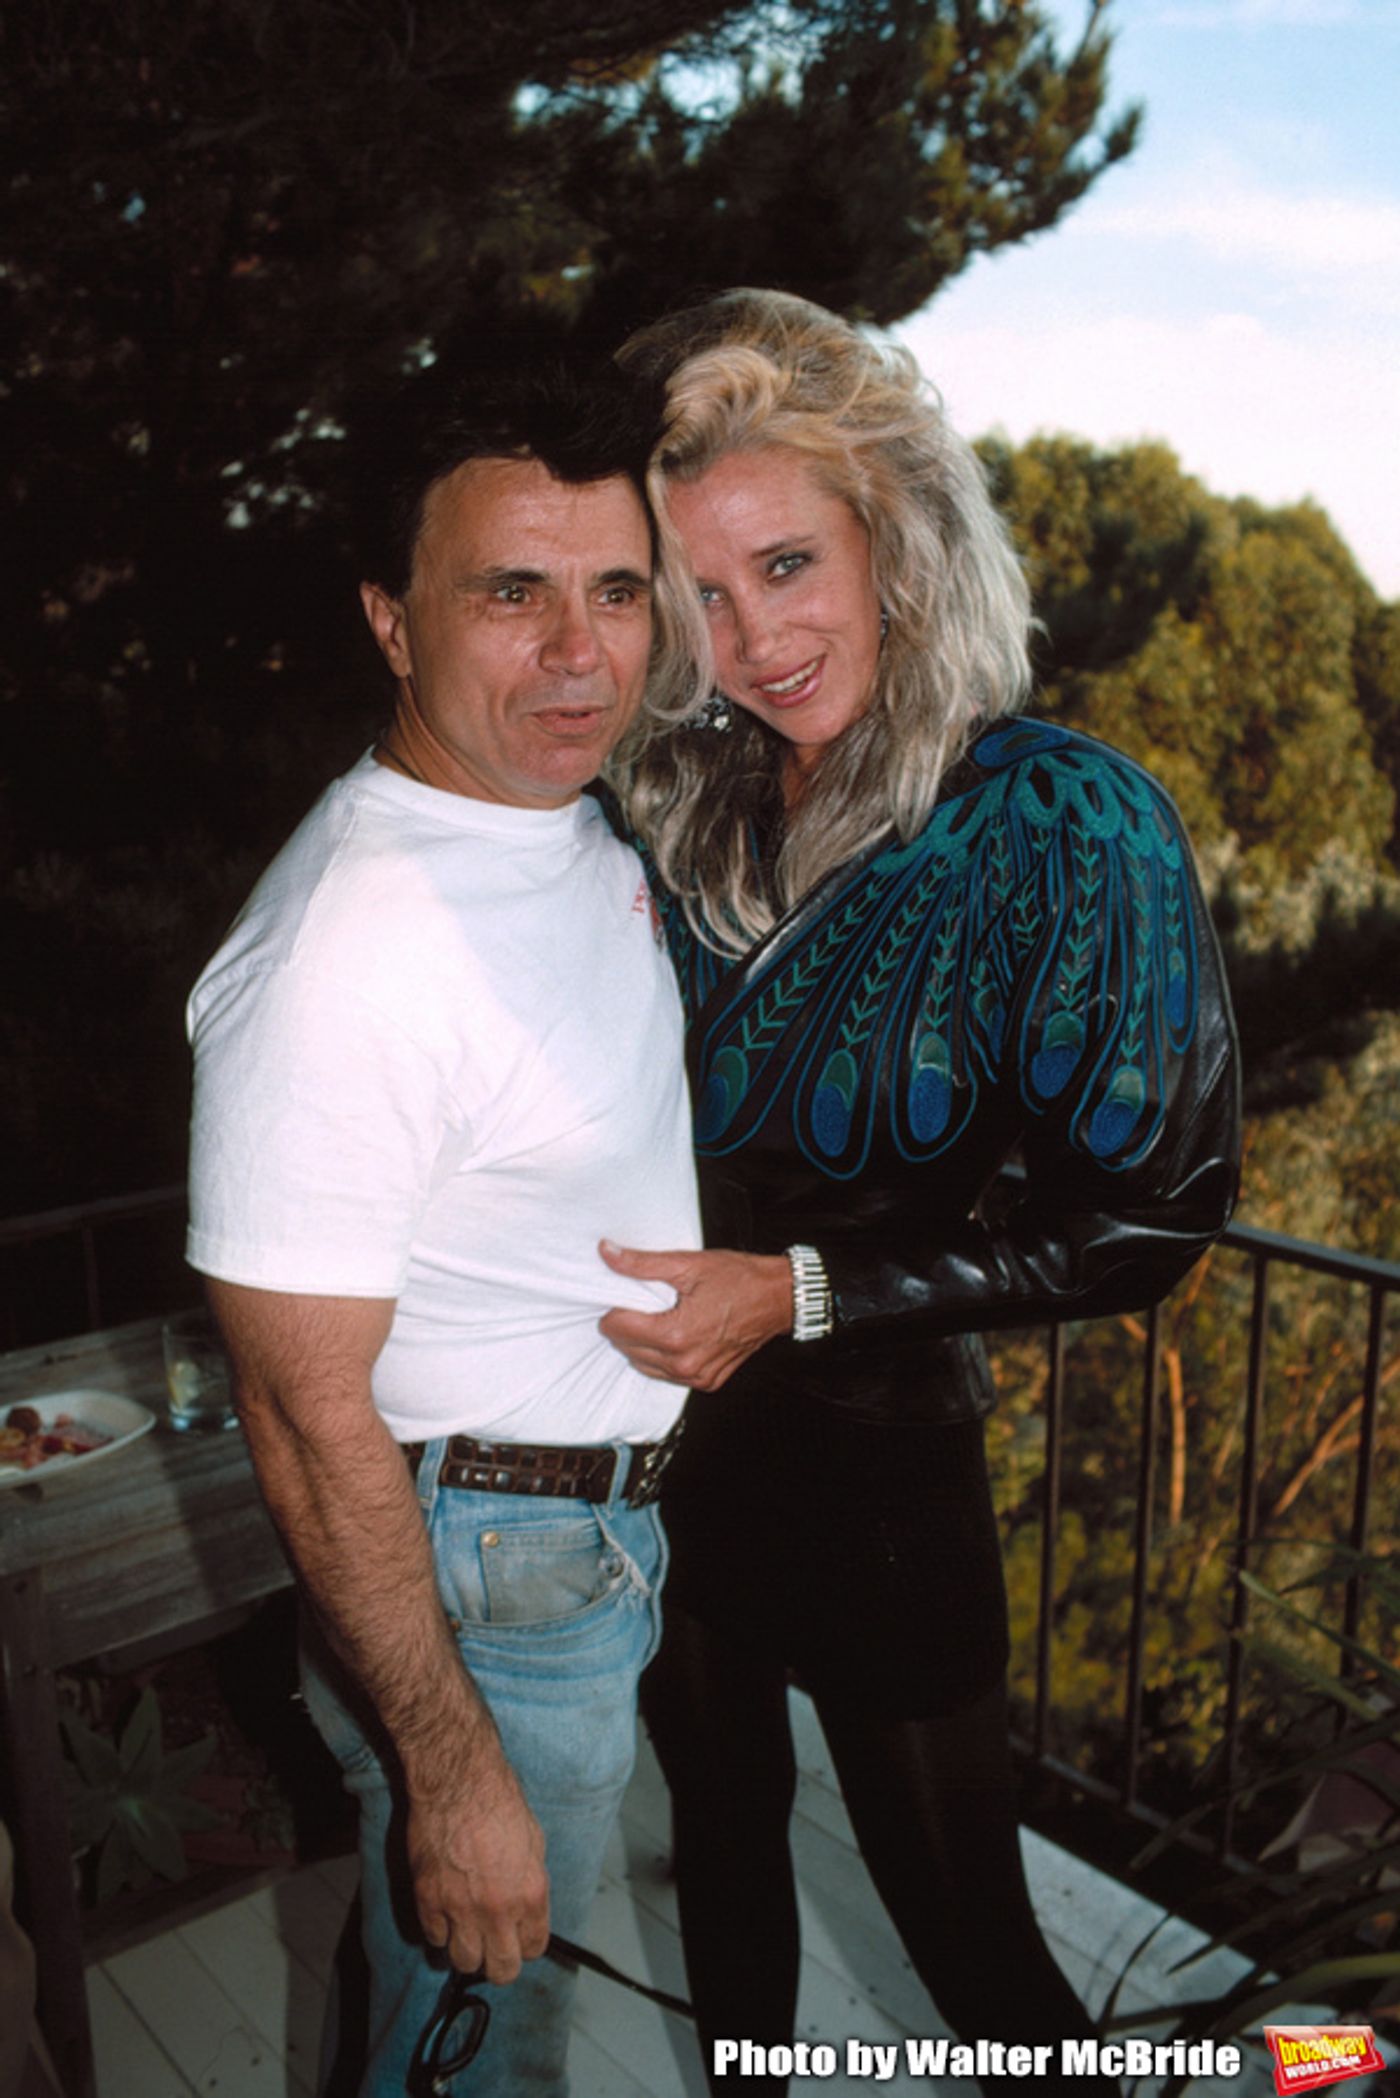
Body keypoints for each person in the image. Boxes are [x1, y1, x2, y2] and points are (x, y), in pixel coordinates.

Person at [598, 290, 1241, 2095]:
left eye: (788, 564)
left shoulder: (1058, 822)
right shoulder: (679, 802)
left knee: (985, 1965)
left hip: (879, 1478)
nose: (754, 641)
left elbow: (1156, 1210)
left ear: (897, 538)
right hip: (671, 1451)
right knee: (724, 1851)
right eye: (701, 596)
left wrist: (800, 1292)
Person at [184, 341, 703, 2097]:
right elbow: (297, 1408)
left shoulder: (558, 818)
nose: (581, 652)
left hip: (568, 1546)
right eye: (511, 594)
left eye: (616, 590)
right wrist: (454, 1767)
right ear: (391, 622)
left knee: (434, 2011)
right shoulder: (344, 951)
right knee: (486, 2049)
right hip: (478, 1584)